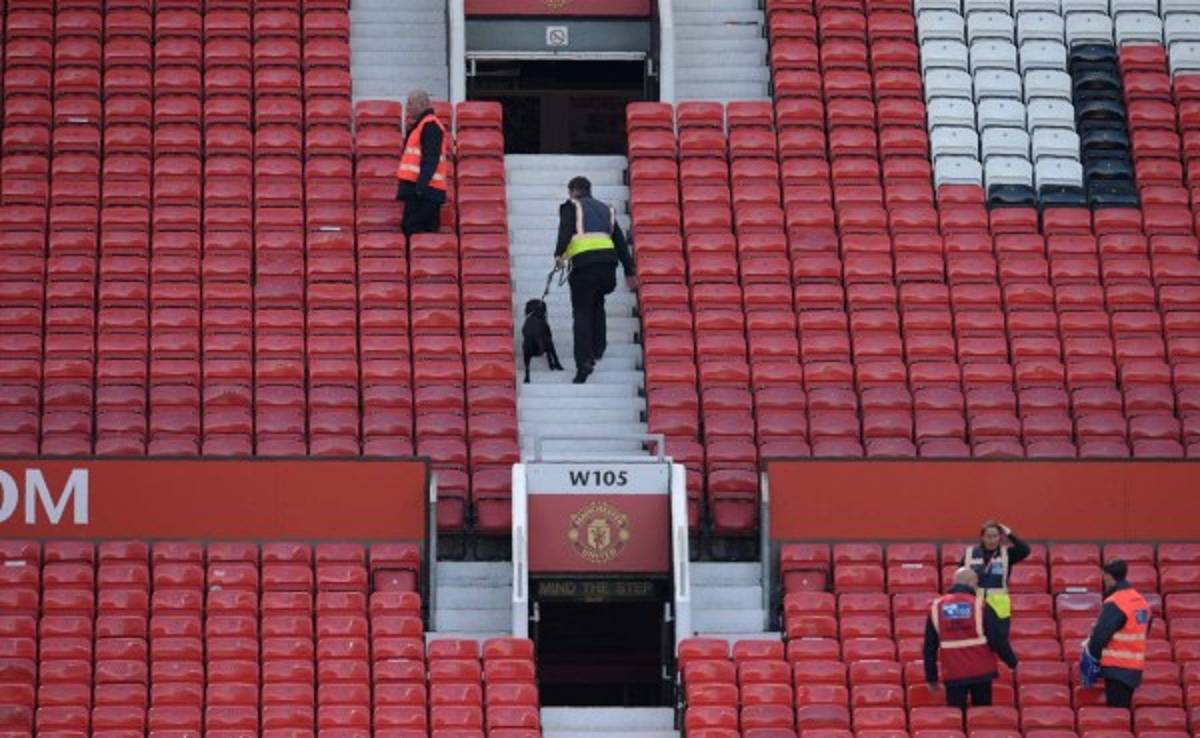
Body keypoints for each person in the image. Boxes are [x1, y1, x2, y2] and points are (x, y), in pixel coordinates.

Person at [554, 176, 636, 384]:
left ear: (572, 191)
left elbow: (565, 230)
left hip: (584, 266)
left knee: (581, 312)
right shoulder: (606, 209)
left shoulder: (571, 206)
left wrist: (558, 254)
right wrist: (629, 271)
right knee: (598, 304)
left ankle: (584, 363)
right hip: (608, 266)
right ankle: (598, 348)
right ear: (589, 190)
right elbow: (619, 240)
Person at [924, 567, 1019, 710]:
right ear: (970, 583)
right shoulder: (980, 605)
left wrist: (931, 678)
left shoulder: (936, 607)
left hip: (953, 672)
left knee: (956, 718)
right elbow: (997, 640)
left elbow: (929, 648)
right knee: (982, 717)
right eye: (975, 583)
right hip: (981, 672)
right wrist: (1012, 662)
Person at [1085, 559, 1151, 708]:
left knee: (1116, 715)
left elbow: (1099, 637)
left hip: (1117, 669)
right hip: (1134, 670)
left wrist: (1091, 661)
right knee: (1124, 717)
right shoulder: (1140, 601)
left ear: (1108, 576)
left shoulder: (1116, 602)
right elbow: (1145, 630)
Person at [962, 520, 1031, 639]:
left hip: (999, 607)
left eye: (995, 536)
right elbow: (960, 579)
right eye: (988, 536)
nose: (992, 540)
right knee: (976, 638)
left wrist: (1009, 533)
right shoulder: (969, 554)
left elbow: (1025, 550)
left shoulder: (1007, 554)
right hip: (976, 604)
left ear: (1000, 537)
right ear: (982, 537)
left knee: (1000, 641)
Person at [395, 89, 449, 236]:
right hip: (424, 192)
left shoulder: (430, 126)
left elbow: (430, 159)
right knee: (422, 235)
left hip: (424, 193)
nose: (407, 108)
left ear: (422, 104)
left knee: (414, 232)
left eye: (410, 104)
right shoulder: (421, 125)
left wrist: (419, 188)